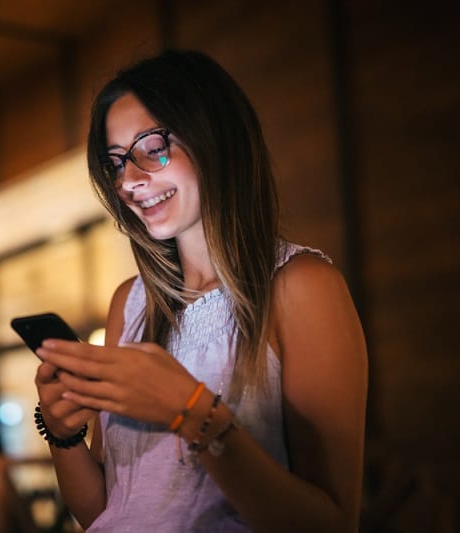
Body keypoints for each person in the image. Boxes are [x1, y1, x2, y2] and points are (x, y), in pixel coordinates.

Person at [33, 49, 367, 532]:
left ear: (214, 136)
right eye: (116, 162)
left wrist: (192, 414)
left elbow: (331, 524)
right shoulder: (128, 304)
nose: (129, 181)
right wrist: (61, 433)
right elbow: (106, 512)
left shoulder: (300, 286)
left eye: (151, 147)